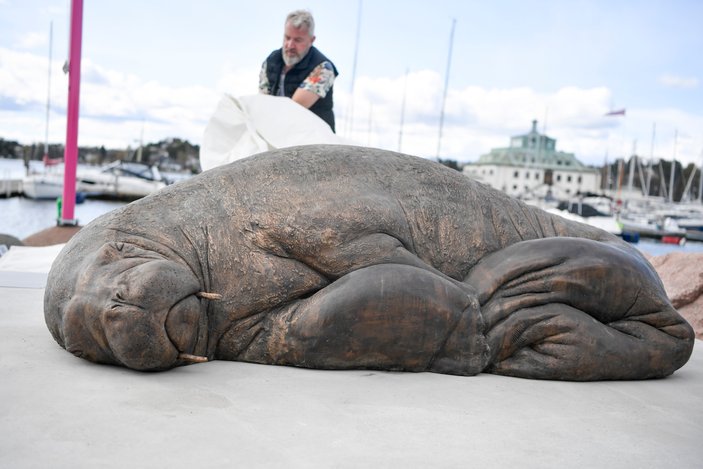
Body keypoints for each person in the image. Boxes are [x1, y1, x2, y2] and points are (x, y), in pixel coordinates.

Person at [259, 10, 339, 132]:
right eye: (287, 37)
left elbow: (295, 109)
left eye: (297, 40)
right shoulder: (271, 61)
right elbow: (263, 103)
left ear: (312, 40)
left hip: (315, 139)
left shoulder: (324, 68)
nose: (290, 45)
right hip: (277, 132)